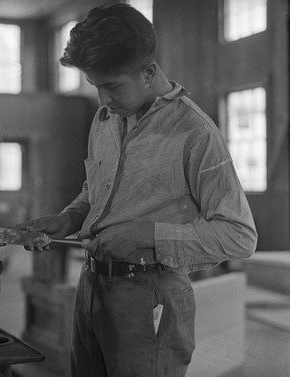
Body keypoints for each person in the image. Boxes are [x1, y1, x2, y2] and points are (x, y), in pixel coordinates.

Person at [16, 3, 257, 377]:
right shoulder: (106, 119)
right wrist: (69, 218)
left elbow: (240, 236)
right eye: (95, 87)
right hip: (91, 288)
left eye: (111, 86)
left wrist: (148, 236)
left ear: (149, 72)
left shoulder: (195, 133)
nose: (103, 101)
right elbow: (95, 193)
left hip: (151, 297)